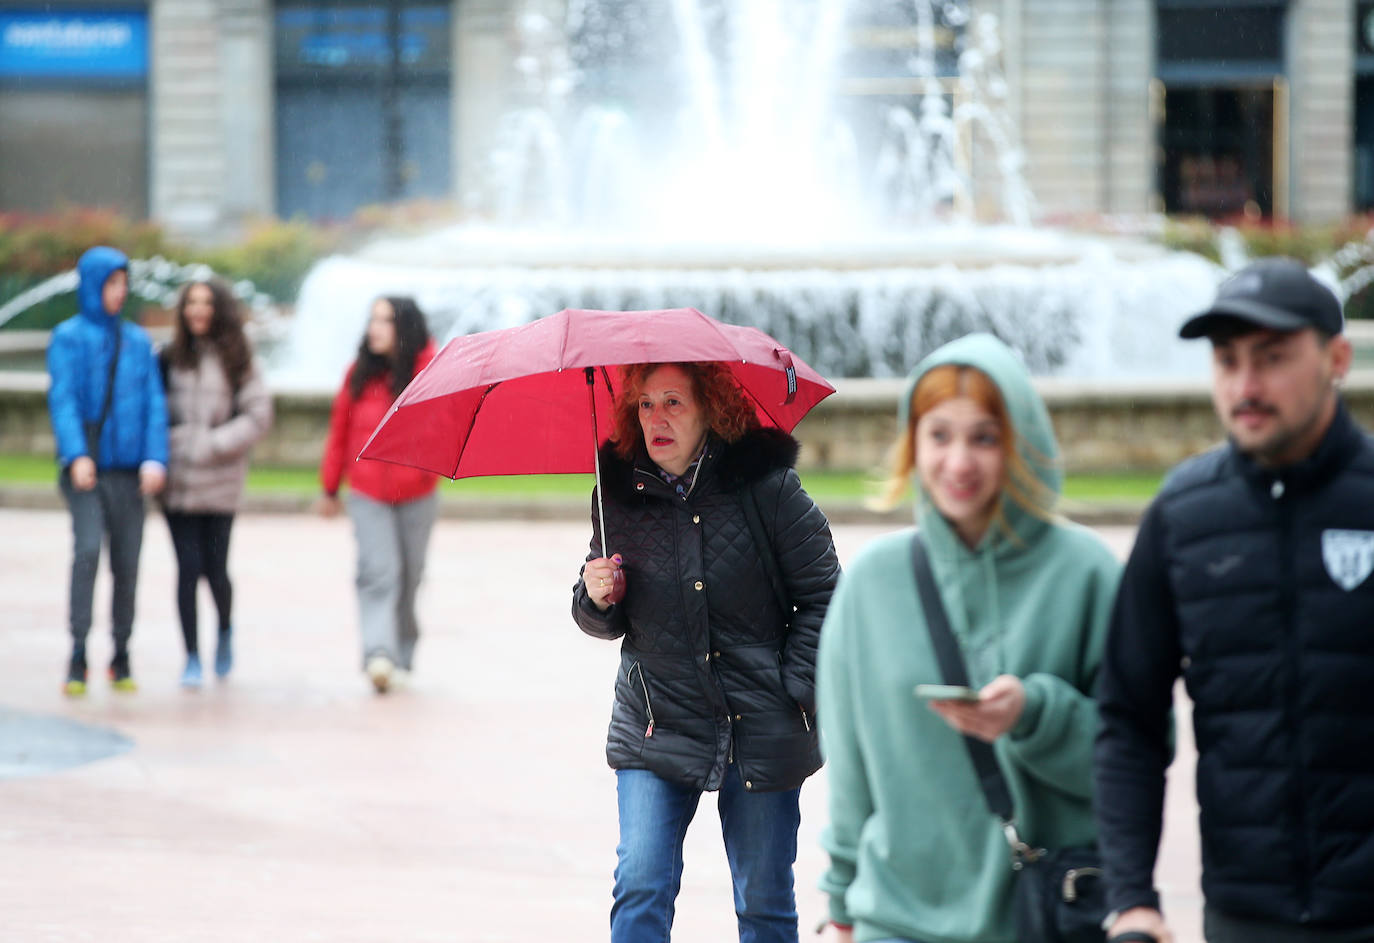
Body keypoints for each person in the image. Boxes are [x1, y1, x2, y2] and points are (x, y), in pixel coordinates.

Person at [1095, 258, 1374, 943]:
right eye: (1227, 360)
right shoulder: (1183, 514)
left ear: (1336, 357)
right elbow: (1128, 715)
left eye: (1272, 358)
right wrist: (1132, 895)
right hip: (1245, 916)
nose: (1245, 385)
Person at [816, 333, 1121, 943]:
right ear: (913, 443)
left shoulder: (1088, 574)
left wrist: (1036, 716)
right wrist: (841, 903)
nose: (959, 462)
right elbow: (849, 768)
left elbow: (1138, 754)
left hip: (1044, 918)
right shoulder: (872, 584)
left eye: (985, 436)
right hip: (895, 920)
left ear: (1021, 441)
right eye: (939, 435)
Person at [571, 360, 840, 943]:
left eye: (674, 402)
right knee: (640, 884)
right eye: (645, 404)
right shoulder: (615, 490)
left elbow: (826, 595)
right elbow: (602, 617)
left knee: (764, 901)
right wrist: (597, 598)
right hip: (655, 720)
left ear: (709, 409)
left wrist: (793, 690)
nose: (656, 419)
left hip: (759, 720)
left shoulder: (766, 486)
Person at [47, 246, 168, 696]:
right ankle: (77, 652)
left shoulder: (137, 342)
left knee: (127, 563)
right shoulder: (68, 337)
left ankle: (122, 652)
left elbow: (155, 404)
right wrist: (76, 454)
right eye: (111, 283)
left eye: (124, 283)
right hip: (87, 471)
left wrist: (155, 458)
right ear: (94, 286)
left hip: (129, 472)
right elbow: (63, 400)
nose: (119, 292)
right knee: (86, 553)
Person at [317, 296, 438, 694]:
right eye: (372, 319)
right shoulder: (359, 373)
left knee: (409, 576)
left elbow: (445, 428)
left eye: (385, 320)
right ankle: (378, 654)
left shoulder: (430, 372)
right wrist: (330, 486)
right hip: (368, 491)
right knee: (377, 572)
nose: (375, 328)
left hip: (417, 493)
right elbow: (340, 433)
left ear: (404, 328)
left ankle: (402, 655)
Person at [159, 278, 273, 688]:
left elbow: (259, 415)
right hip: (177, 482)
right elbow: (155, 412)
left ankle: (224, 629)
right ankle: (191, 655)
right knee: (187, 570)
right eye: (191, 302)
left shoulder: (238, 359)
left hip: (220, 482)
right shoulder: (170, 357)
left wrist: (213, 443)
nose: (197, 310)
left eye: (206, 303)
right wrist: (173, 445)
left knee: (215, 570)